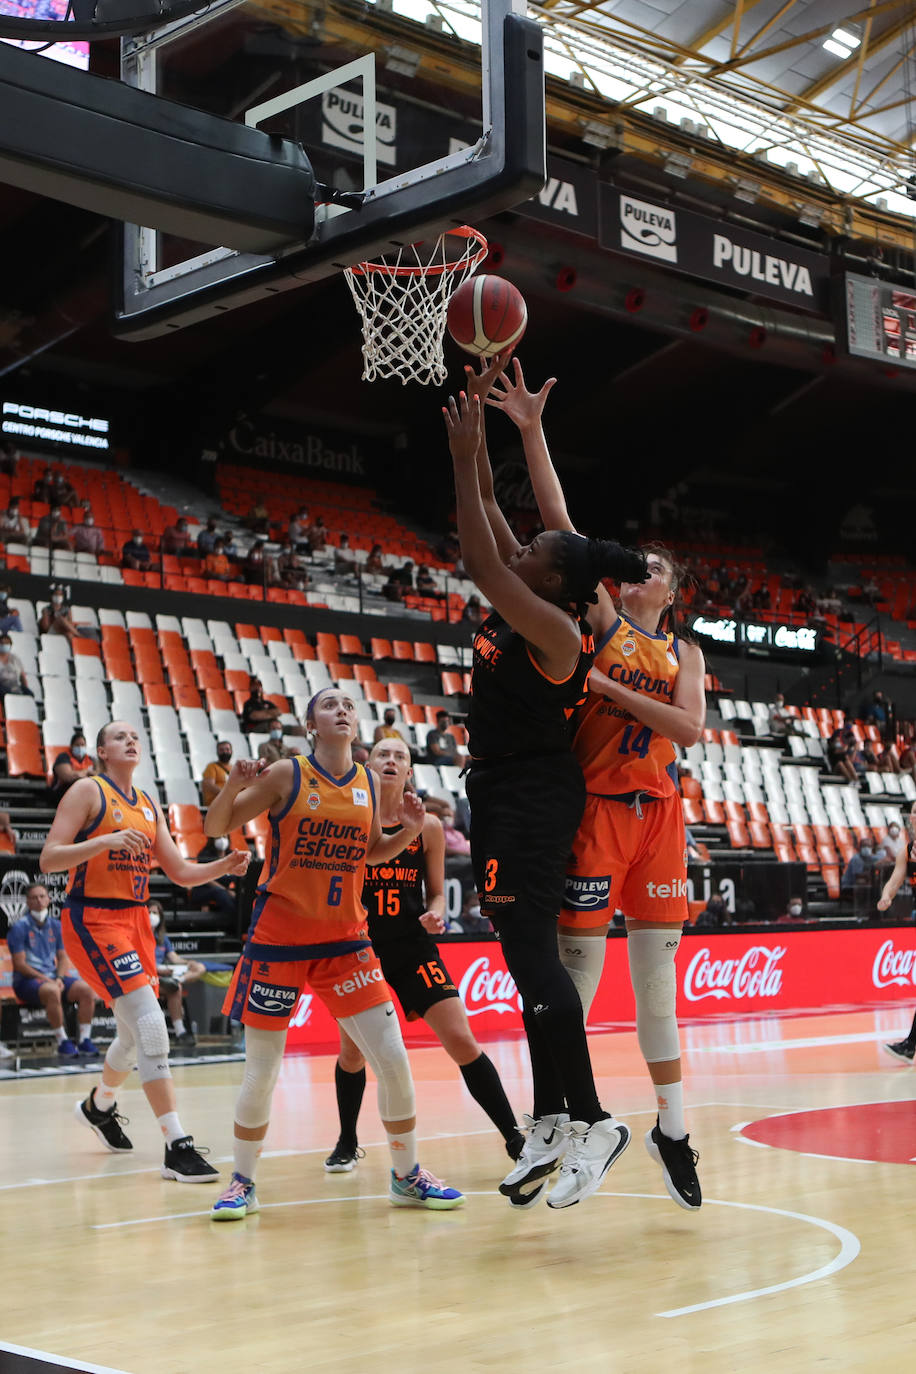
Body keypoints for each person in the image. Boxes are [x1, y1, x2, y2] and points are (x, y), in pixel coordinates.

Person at [486, 354, 706, 1211]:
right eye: (637, 559)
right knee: (567, 985)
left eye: (657, 563)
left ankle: (674, 1130)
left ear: (673, 586)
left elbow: (688, 729)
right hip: (594, 810)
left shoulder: (684, 652)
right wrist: (533, 433)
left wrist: (609, 692)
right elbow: (558, 524)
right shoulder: (602, 620)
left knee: (657, 990)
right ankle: (560, 1126)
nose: (643, 565)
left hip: (662, 818)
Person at [443, 382, 644, 1212]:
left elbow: (481, 558)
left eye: (537, 555)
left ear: (560, 584)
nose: (522, 551)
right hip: (503, 788)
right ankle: (555, 1117)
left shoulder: (560, 631)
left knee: (530, 957)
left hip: (529, 792)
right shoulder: (547, 592)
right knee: (522, 952)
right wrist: (495, 436)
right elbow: (494, 512)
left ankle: (595, 1120)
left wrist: (460, 456)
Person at [204, 687, 465, 1219]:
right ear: (310, 725)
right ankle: (242, 1181)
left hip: (346, 939)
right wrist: (234, 783)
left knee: (392, 1061)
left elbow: (371, 853)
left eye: (349, 705)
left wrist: (410, 831)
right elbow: (216, 827)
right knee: (262, 1072)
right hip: (279, 940)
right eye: (329, 705)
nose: (342, 711)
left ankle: (406, 1175)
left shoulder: (368, 781)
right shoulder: (288, 775)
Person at [39, 720, 250, 1179]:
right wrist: (105, 841)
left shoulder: (148, 804)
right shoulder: (87, 792)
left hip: (134, 922)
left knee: (134, 1035)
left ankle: (99, 1106)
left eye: (136, 735)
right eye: (119, 736)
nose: (131, 740)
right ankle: (177, 1144)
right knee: (153, 1025)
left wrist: (225, 865)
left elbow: (178, 872)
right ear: (100, 750)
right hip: (93, 918)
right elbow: (49, 857)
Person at [326, 736, 523, 1171]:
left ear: (410, 772)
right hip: (361, 948)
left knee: (461, 1038)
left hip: (412, 945)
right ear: (368, 764)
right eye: (383, 754)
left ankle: (515, 1140)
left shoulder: (428, 826)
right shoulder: (352, 816)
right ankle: (346, 1140)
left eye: (400, 756)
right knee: (354, 1052)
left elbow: (436, 895)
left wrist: (436, 915)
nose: (391, 760)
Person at [7, 882, 99, 1057]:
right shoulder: (19, 928)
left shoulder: (56, 926)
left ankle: (85, 1040)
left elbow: (63, 957)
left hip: (53, 978)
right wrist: (49, 980)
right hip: (26, 982)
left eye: (42, 896)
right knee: (52, 991)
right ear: (27, 902)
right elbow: (20, 965)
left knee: (87, 990)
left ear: (49, 899)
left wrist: (59, 977)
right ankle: (62, 1041)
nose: (39, 901)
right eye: (34, 898)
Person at [149, 899, 205, 1047]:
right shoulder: (138, 935)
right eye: (149, 912)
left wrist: (188, 963)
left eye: (155, 913)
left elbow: (174, 958)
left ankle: (178, 978)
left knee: (199, 968)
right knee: (175, 988)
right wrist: (159, 970)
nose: (151, 915)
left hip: (162, 975)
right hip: (147, 977)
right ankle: (180, 1031)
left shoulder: (162, 938)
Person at [50, 731, 96, 797]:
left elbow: (99, 775)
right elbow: (67, 777)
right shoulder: (63, 757)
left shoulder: (91, 759)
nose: (80, 747)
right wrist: (87, 772)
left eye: (82, 745)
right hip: (63, 792)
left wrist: (78, 774)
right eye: (77, 745)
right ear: (71, 746)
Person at [201, 741, 233, 807]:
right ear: (217, 752)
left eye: (227, 749)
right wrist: (227, 795)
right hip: (215, 804)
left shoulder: (234, 768)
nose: (225, 752)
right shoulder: (211, 767)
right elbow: (210, 785)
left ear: (231, 751)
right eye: (221, 750)